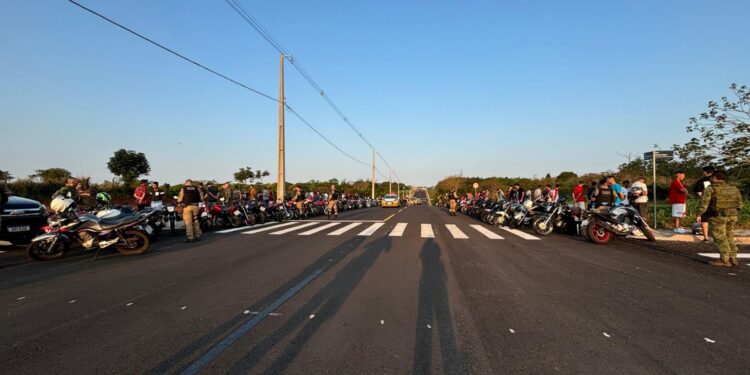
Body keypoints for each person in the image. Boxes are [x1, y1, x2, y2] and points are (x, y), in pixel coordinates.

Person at [696, 171, 743, 267]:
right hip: (733, 215)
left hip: (718, 216)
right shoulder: (734, 188)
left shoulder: (711, 188)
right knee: (729, 235)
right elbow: (740, 204)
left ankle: (724, 259)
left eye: (711, 178)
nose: (711, 179)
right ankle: (733, 257)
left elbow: (704, 204)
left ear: (714, 178)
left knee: (720, 237)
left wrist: (699, 214)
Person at [693, 166, 715, 242]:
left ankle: (706, 238)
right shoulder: (718, 180)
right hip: (717, 203)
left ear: (705, 172)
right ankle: (716, 237)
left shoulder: (701, 181)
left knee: (704, 219)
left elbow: (699, 193)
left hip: (706, 203)